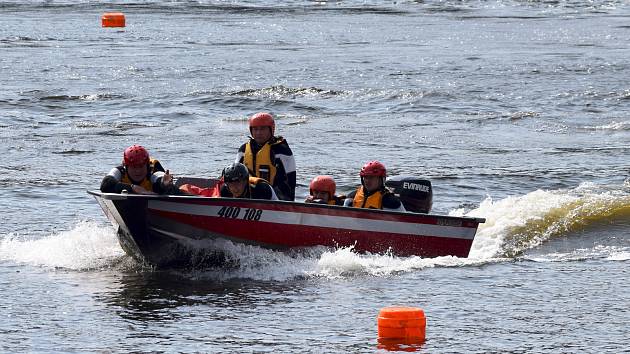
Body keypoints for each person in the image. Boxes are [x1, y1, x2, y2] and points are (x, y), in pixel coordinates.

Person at [236, 112, 296, 201]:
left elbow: (290, 181)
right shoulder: (243, 149)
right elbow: (235, 173)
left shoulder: (282, 150)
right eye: (255, 129)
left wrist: (286, 203)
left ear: (271, 129)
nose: (258, 133)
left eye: (262, 129)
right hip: (248, 195)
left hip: (276, 198)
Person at [100, 145, 174, 195]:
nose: (138, 171)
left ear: (147, 166)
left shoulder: (153, 170)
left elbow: (159, 178)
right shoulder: (120, 171)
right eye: (134, 167)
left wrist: (164, 184)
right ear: (126, 166)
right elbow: (105, 184)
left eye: (141, 166)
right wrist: (133, 188)